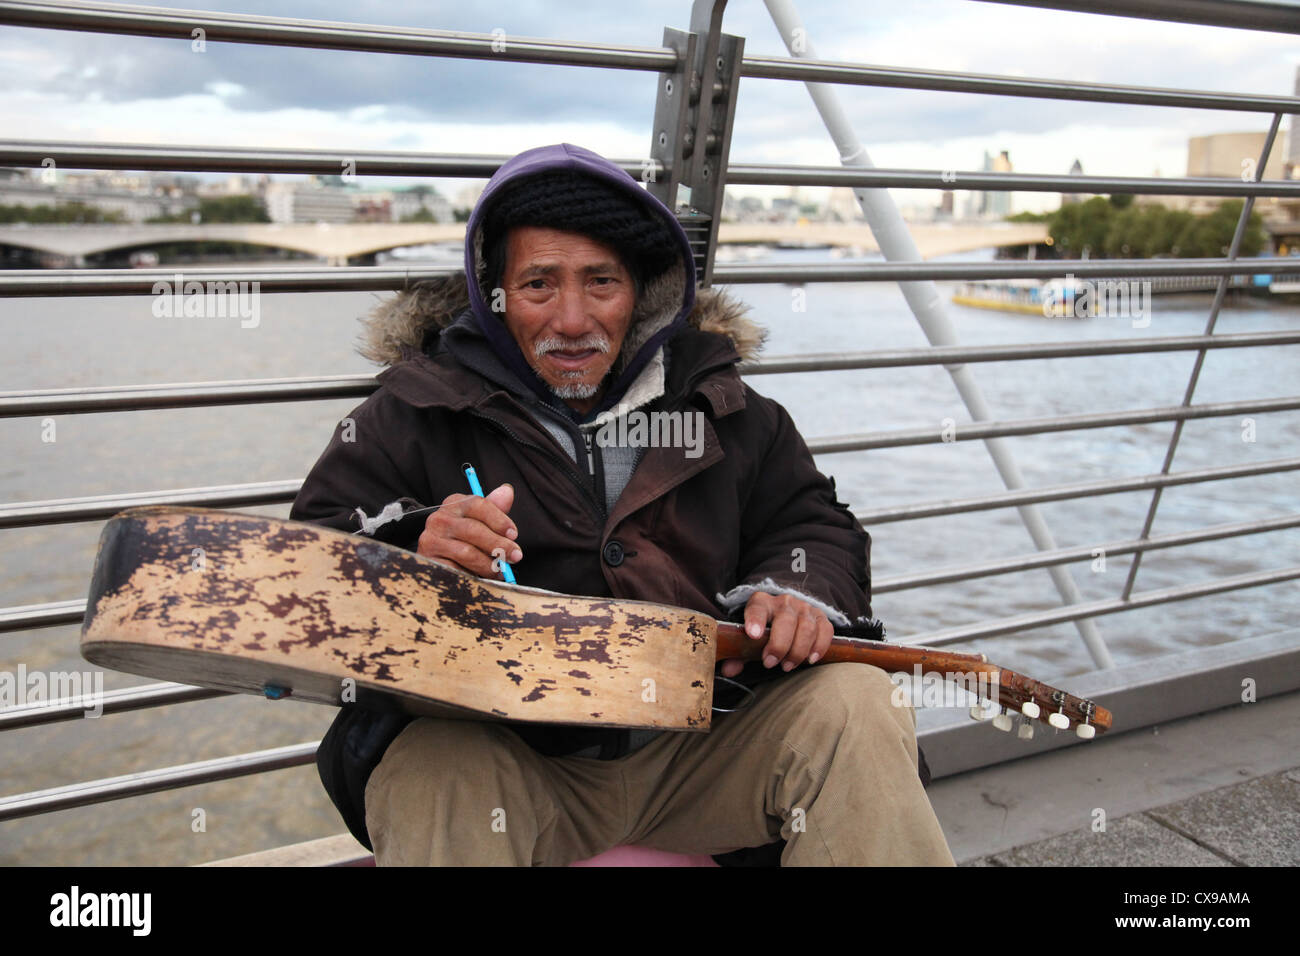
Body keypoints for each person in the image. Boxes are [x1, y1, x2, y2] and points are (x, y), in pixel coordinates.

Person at [290, 142, 954, 866]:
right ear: (495, 295)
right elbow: (308, 570)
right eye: (539, 285)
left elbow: (811, 523)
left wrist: (791, 594)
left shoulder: (726, 406)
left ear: (644, 292)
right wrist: (415, 549)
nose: (573, 320)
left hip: (703, 748)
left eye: (601, 282)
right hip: (514, 763)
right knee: (433, 768)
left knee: (856, 703)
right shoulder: (408, 412)